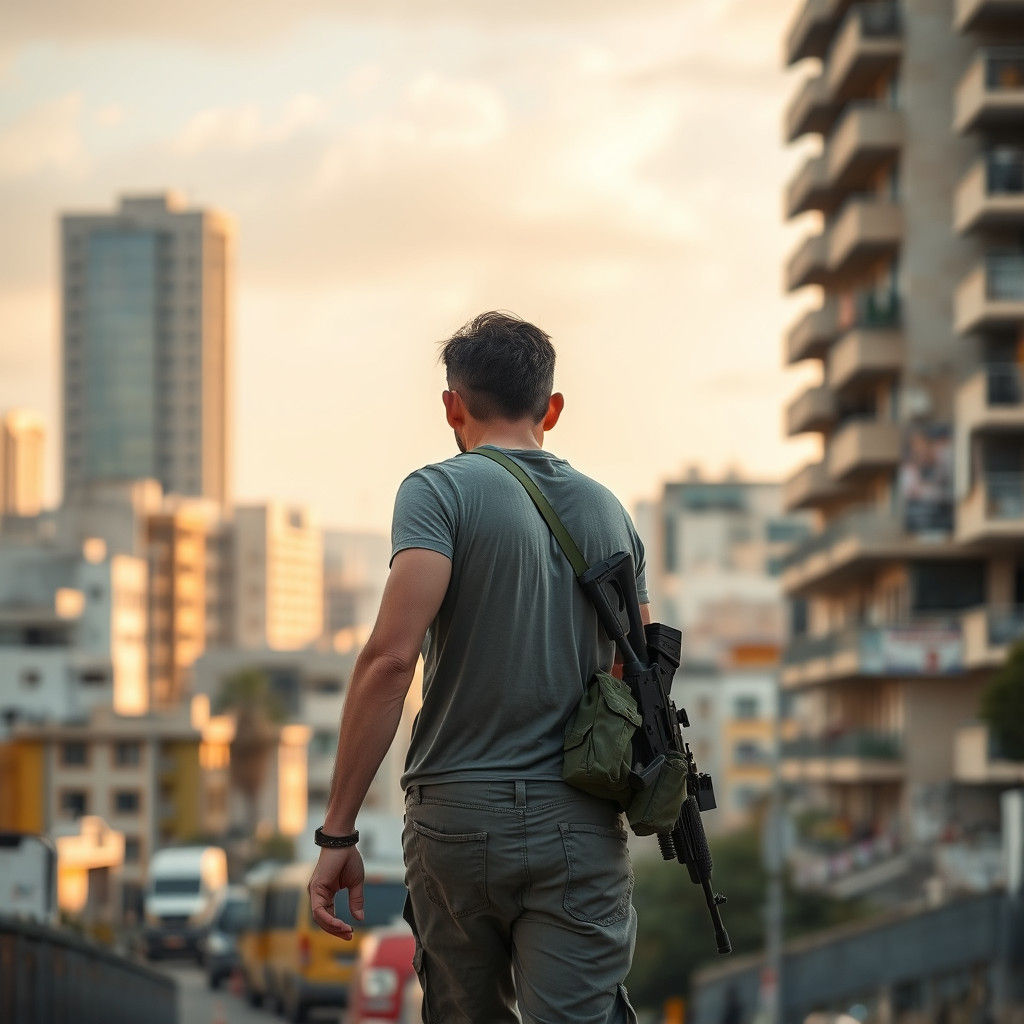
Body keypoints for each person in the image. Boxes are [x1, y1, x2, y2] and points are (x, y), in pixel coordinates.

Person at [308, 311, 649, 1023]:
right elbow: (640, 674)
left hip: (455, 819)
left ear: (451, 406)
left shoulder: (438, 493)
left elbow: (390, 660)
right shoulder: (611, 516)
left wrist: (339, 832)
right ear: (551, 409)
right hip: (578, 820)